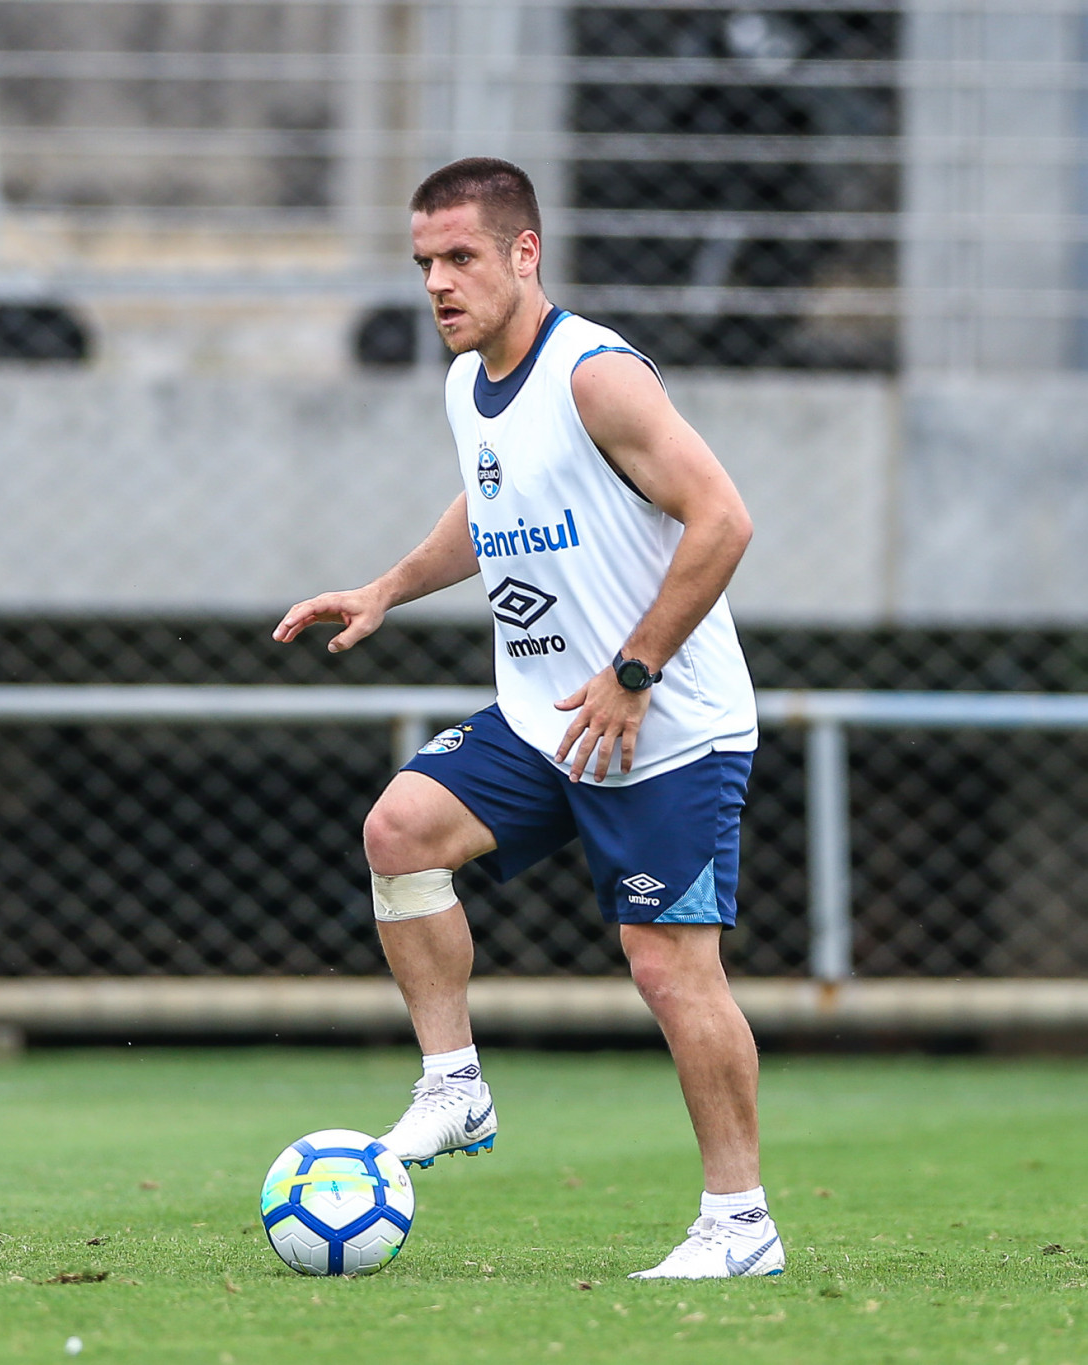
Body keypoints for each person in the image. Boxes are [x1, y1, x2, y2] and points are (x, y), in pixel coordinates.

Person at [274, 158, 776, 1280]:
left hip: (661, 726)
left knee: (665, 972)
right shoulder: (466, 383)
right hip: (542, 716)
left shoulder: (597, 375)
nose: (437, 284)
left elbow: (722, 520)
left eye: (458, 258)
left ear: (522, 253)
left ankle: (738, 1225)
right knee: (398, 833)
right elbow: (492, 499)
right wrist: (385, 589)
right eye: (421, 265)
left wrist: (632, 673)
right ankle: (452, 1089)